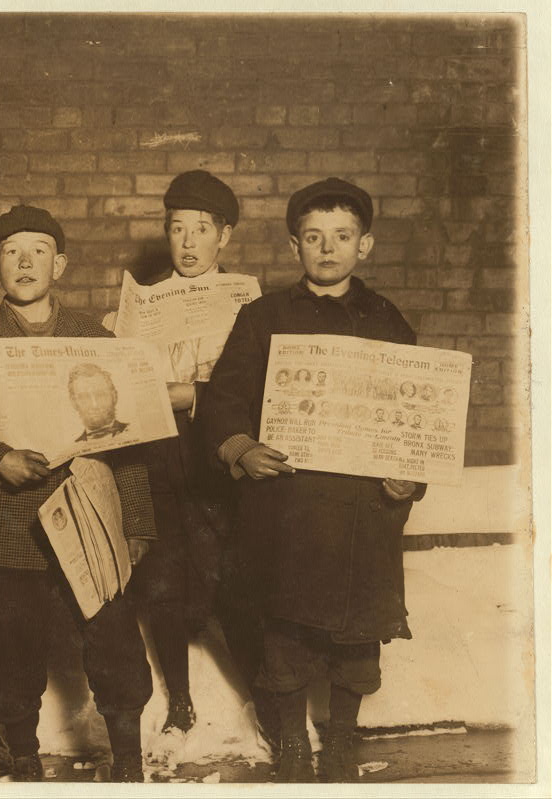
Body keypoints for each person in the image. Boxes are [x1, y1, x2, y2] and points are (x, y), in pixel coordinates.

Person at [0, 205, 157, 783]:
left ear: (61, 264)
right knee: (10, 647)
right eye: (12, 252)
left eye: (40, 250)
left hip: (88, 515)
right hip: (4, 523)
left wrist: (137, 524)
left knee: (114, 639)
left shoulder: (93, 337)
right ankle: (23, 756)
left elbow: (126, 436)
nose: (26, 263)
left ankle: (128, 758)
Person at [202, 178, 427, 783]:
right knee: (286, 631)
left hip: (361, 510)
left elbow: (416, 416)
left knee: (356, 635)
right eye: (313, 237)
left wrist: (407, 475)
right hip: (287, 507)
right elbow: (222, 401)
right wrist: (241, 448)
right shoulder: (263, 317)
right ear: (294, 246)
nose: (327, 249)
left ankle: (345, 736)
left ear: (366, 246)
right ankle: (293, 740)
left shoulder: (386, 320)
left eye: (342, 237)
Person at [111, 170, 275, 747]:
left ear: (223, 237)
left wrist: (196, 395)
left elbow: (262, 391)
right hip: (158, 457)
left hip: (218, 461)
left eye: (200, 230)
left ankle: (265, 700)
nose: (186, 242)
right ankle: (179, 701)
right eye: (176, 228)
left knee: (232, 579)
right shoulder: (144, 303)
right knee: (162, 579)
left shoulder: (251, 304)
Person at [68, 363, 129, 441]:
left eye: (100, 395)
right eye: (84, 397)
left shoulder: (133, 430)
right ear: (74, 403)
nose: (94, 405)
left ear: (114, 396)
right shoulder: (72, 448)